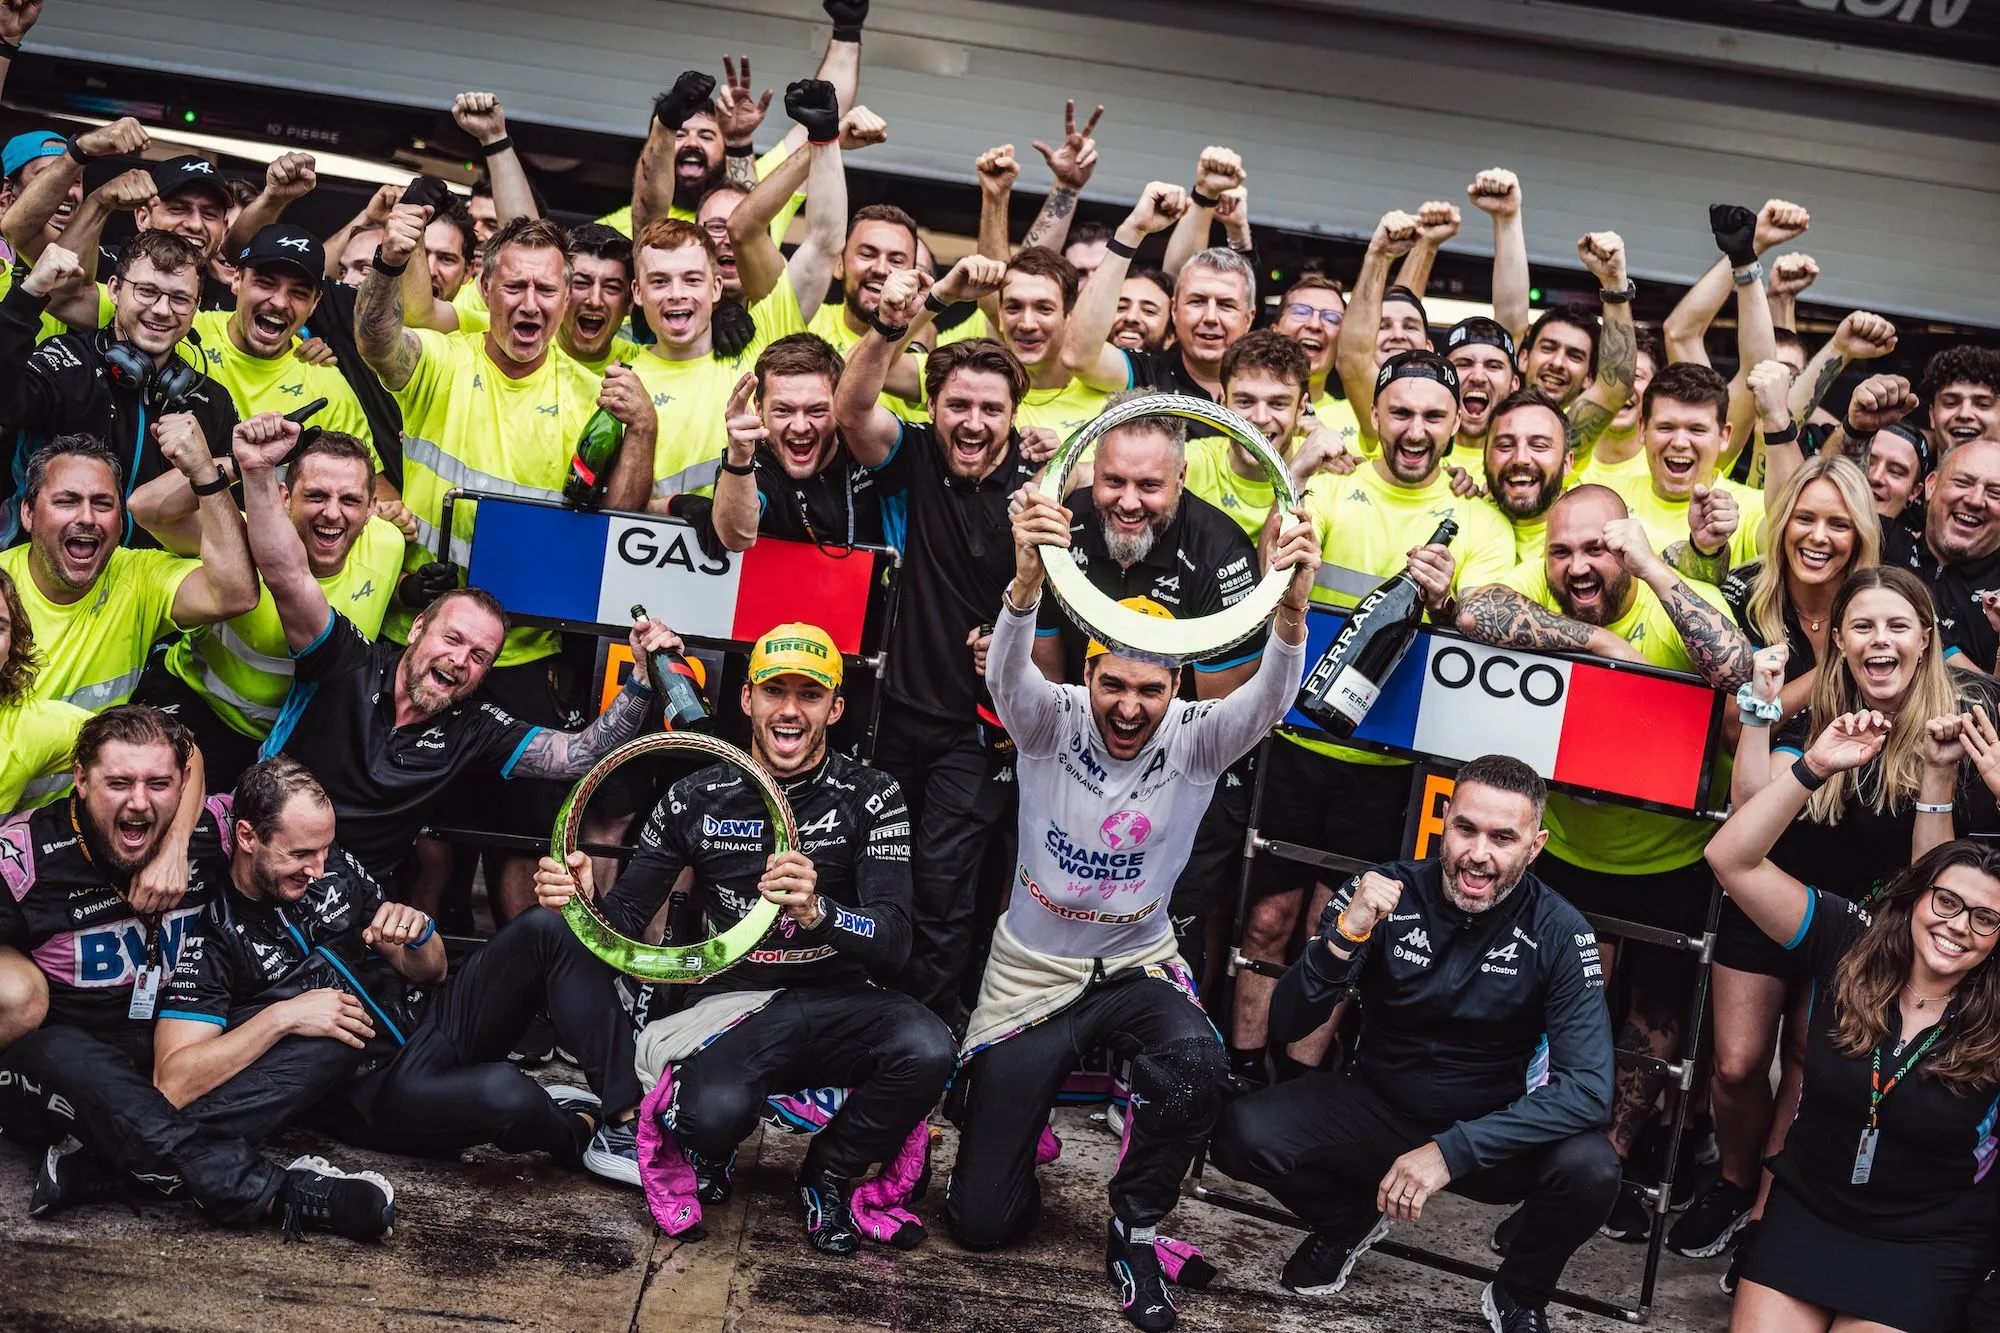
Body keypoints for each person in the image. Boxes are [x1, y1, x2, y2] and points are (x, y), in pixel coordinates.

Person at [944, 482, 1319, 1333]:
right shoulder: (1049, 720)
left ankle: (1135, 1219)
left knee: (1196, 1065)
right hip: (1036, 973)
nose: (1128, 707)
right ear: (1087, 673)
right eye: (1114, 684)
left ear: (1176, 683)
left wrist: (1289, 617)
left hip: (1137, 965)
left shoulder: (1197, 733)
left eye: (1149, 690)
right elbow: (1007, 674)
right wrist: (1024, 585)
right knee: (981, 1222)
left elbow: (1268, 702)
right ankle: (1013, 1127)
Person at [535, 622, 955, 1251]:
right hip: (731, 1011)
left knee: (929, 1049)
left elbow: (895, 942)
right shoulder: (694, 796)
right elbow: (621, 927)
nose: (789, 711)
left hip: (838, 1003)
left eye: (809, 696)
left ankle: (830, 1173)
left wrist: (821, 912)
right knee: (712, 1114)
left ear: (836, 709)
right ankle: (712, 1149)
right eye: (774, 692)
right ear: (746, 700)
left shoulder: (872, 795)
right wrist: (582, 900)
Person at [1210, 756, 1617, 1333]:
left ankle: (1520, 1293)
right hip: (1378, 1109)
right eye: (1466, 829)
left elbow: (1590, 1092)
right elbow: (1288, 1022)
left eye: (1504, 838)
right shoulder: (1384, 889)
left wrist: (1452, 1151)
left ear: (1535, 846)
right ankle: (1346, 1220)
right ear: (1442, 820)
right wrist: (1345, 936)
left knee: (1593, 1167)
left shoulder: (1560, 928)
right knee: (1238, 1132)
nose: (1479, 854)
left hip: (1493, 1135)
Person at [1453, 485, 1754, 1240]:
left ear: (1627, 544)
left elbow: (1737, 666)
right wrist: (1599, 647)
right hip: (1566, 848)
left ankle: (1612, 1161)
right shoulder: (1541, 588)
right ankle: (1536, 1153)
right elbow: (1473, 611)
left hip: (1669, 856)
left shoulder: (1679, 594)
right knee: (1558, 1006)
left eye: (1598, 549)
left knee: (1651, 1027)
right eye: (1562, 551)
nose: (1578, 566)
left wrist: (1654, 568)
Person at [1695, 565, 1999, 1281]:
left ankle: (1774, 1215)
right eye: (1863, 625)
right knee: (1736, 1064)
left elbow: (1940, 879)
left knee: (1814, 1056)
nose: (1880, 639)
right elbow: (1747, 826)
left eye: (1898, 624)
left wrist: (1945, 777)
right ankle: (1736, 1181)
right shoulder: (1818, 704)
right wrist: (1763, 719)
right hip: (1789, 887)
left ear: (1927, 637)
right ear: (1838, 638)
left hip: (1886, 918)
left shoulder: (1969, 714)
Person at [354, 211, 658, 917]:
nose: (530, 303)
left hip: (524, 656)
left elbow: (617, 524)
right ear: (484, 289)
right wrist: (387, 267)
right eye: (514, 285)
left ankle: (524, 1006)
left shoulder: (592, 396)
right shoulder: (440, 359)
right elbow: (373, 337)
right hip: (417, 640)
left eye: (547, 289)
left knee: (522, 849)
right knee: (422, 849)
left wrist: (642, 429)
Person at [153, 755, 645, 1185]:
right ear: (246, 837)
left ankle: (625, 1118)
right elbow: (173, 1081)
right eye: (300, 854)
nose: (319, 869)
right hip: (373, 1092)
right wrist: (281, 1017)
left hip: (428, 1025)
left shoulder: (333, 871)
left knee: (544, 927)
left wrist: (419, 934)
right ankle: (578, 1131)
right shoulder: (213, 933)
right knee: (507, 1091)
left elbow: (429, 973)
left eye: (325, 849)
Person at [0, 706, 396, 1240]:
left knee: (337, 1027)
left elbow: (203, 762)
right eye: (118, 783)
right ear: (81, 779)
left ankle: (104, 1167)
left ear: (182, 785)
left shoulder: (215, 831)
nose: (139, 802)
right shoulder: (26, 862)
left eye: (158, 784)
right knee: (59, 1050)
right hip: (64, 1071)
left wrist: (178, 844)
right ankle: (276, 1193)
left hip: (174, 1044)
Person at [1232, 350, 1515, 1086]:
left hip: (1393, 768)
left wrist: (1448, 603)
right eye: (1401, 412)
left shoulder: (1480, 522)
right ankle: (1235, 1069)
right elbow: (1270, 571)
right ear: (1376, 416)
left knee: (1340, 927)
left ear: (1457, 423)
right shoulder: (1334, 485)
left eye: (1431, 415)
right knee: (1265, 922)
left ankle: (1293, 1085)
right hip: (1296, 741)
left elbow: (1487, 640)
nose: (1414, 429)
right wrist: (1294, 473)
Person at [1706, 731, 2000, 1333]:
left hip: (1926, 1242)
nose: (1957, 926)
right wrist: (1811, 768)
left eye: (1986, 918)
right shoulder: (1849, 940)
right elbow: (1730, 858)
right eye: (1945, 901)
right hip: (1808, 1213)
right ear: (1917, 897)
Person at [834, 276, 1038, 1023]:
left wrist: (1016, 640)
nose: (974, 421)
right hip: (893, 717)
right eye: (958, 404)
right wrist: (894, 321)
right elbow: (851, 407)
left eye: (991, 407)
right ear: (932, 405)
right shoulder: (914, 456)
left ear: (1016, 415)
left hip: (979, 731)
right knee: (870, 875)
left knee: (947, 889)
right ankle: (856, 1026)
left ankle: (920, 1043)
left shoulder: (1039, 490)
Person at [128, 423, 406, 791]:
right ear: (285, 497)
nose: (332, 513)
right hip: (200, 712)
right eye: (316, 496)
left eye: (350, 500)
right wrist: (239, 464)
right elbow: (143, 508)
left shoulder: (389, 544)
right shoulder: (240, 536)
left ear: (372, 508)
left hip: (296, 737)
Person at [0, 235, 240, 546]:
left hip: (149, 581)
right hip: (50, 569)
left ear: (196, 307)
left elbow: (233, 513)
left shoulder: (210, 401)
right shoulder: (67, 361)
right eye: (147, 291)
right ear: (114, 289)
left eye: (180, 299)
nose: (162, 310)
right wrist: (28, 296)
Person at [0, 434, 257, 723]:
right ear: (28, 513)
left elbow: (236, 594)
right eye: (67, 501)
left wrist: (210, 473)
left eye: (102, 504)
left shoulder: (138, 577)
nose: (86, 517)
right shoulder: (3, 583)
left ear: (121, 522)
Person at [672, 333, 906, 554]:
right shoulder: (749, 460)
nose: (800, 426)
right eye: (783, 410)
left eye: (817, 410)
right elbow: (736, 537)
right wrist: (739, 458)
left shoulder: (865, 441)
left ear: (839, 404)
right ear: (759, 408)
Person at [187, 224, 376, 465]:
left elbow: (366, 481)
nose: (279, 302)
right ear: (237, 279)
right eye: (265, 283)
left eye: (298, 293)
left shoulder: (327, 385)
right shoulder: (185, 331)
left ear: (315, 303)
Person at [1602, 361, 1764, 576]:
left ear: (1724, 436)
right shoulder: (1608, 499)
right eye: (1666, 427)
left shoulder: (1753, 508)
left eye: (1697, 430)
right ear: (1642, 430)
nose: (1679, 442)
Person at [1880, 438, 2000, 672]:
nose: (1975, 500)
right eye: (1963, 482)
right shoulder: (1884, 542)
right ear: (1931, 485)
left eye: (1996, 493)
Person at [1480, 387, 1572, 564]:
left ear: (1567, 463)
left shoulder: (1598, 530)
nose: (1520, 459)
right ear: (1484, 458)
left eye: (1539, 445)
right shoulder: (1462, 518)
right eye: (1505, 445)